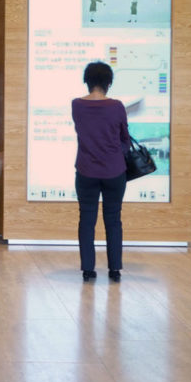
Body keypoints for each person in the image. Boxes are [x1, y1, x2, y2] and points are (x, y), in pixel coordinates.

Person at [72, 61, 130, 282]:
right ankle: (114, 270)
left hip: (86, 171)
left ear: (87, 81)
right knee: (113, 219)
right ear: (109, 82)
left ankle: (88, 270)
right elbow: (124, 138)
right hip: (115, 171)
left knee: (86, 219)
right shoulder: (117, 106)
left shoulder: (76, 105)